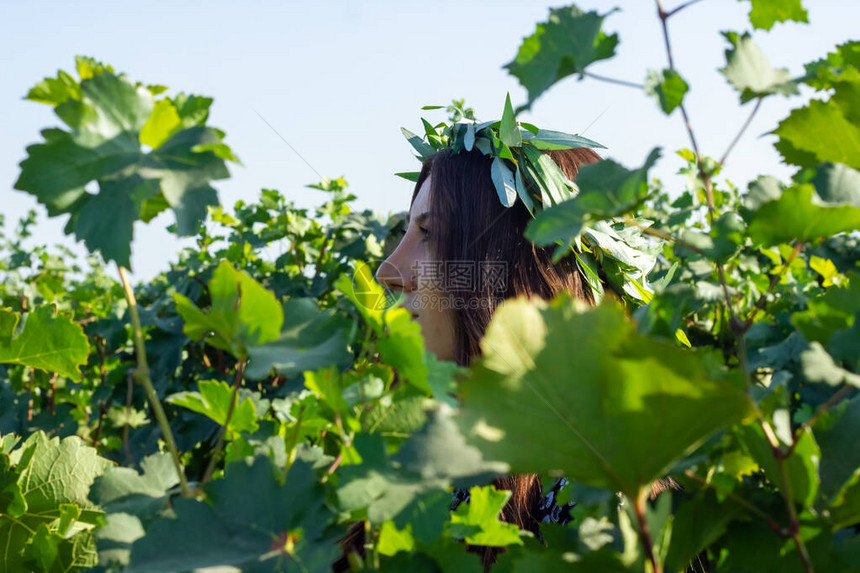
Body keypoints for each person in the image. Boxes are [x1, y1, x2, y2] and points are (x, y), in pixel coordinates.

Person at [374, 143, 602, 569]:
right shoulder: (416, 460)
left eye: (431, 233)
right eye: (406, 233)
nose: (388, 271)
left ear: (518, 269)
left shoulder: (591, 500)